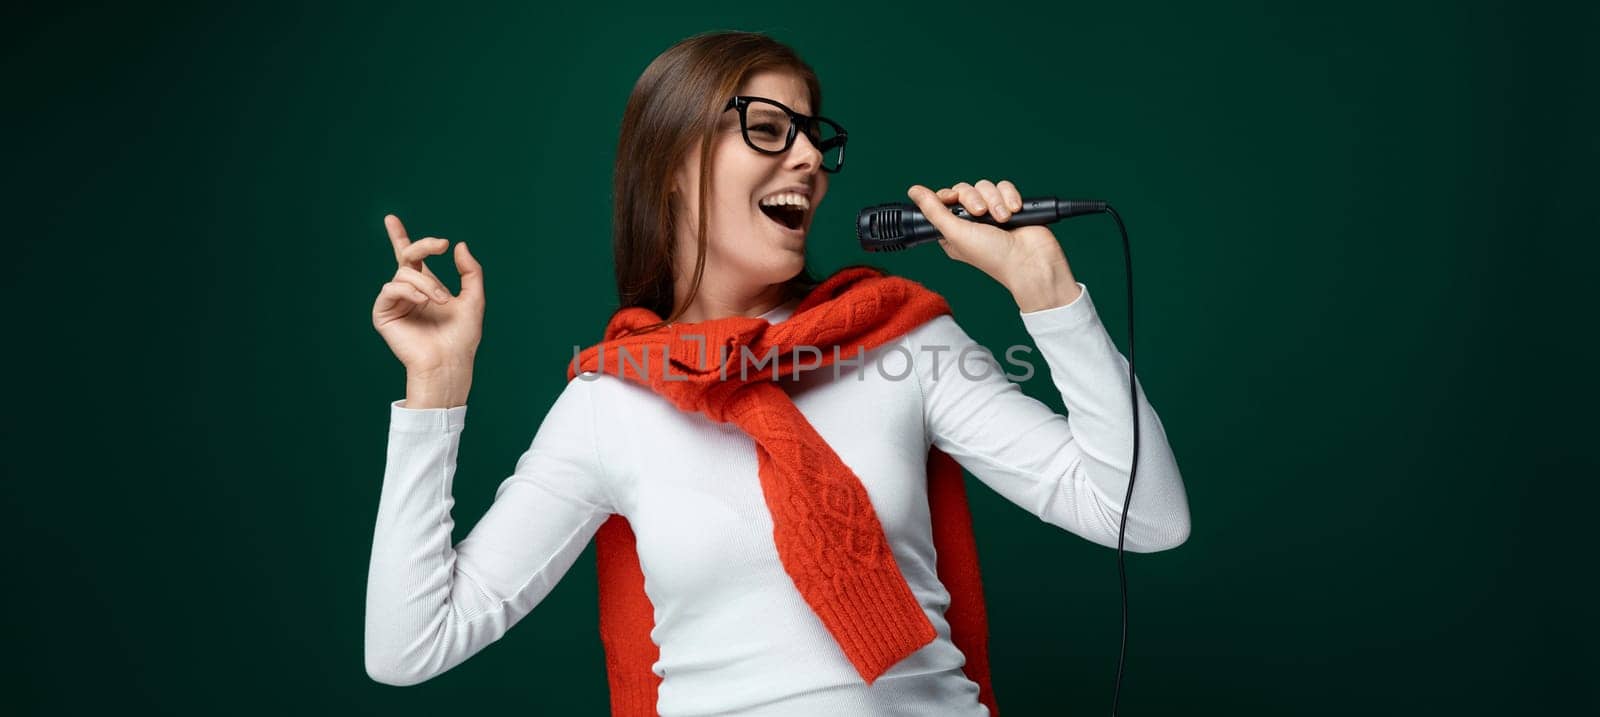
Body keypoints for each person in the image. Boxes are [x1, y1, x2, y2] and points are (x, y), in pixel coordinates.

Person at [364, 30, 1191, 716]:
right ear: (673, 165)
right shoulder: (608, 402)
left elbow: (1145, 518)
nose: (809, 159)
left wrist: (1048, 296)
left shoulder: (901, 341)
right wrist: (436, 387)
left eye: (814, 135)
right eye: (768, 128)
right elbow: (410, 646)